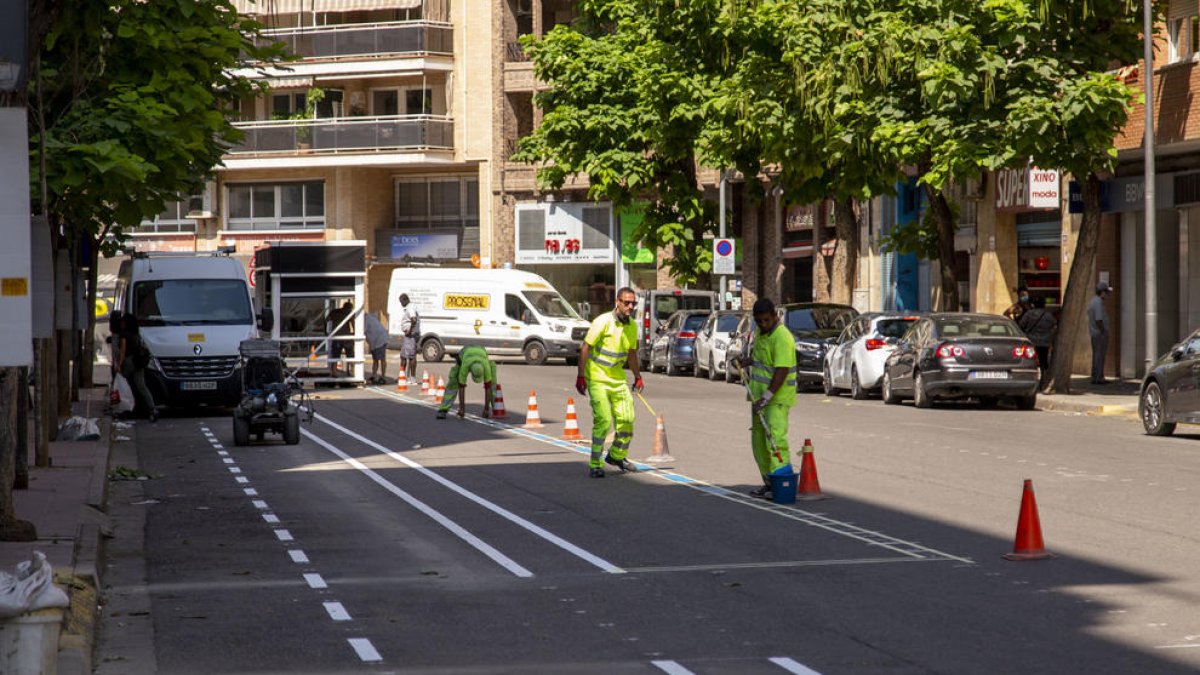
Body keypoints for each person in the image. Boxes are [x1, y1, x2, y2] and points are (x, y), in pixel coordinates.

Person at [576, 287, 643, 478]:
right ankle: (595, 464)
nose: (630, 306)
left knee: (627, 419)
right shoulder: (603, 322)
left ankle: (616, 456)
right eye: (626, 302)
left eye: (633, 303)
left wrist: (638, 376)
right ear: (617, 302)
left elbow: (631, 354)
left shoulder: (632, 326)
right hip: (597, 378)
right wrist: (581, 376)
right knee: (604, 420)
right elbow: (585, 347)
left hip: (618, 379)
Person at [740, 298, 797, 500]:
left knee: (775, 442)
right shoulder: (761, 333)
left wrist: (766, 398)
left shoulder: (782, 337)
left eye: (766, 320)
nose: (763, 324)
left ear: (775, 316)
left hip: (776, 400)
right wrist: (745, 361)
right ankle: (768, 481)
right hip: (759, 399)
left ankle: (782, 484)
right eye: (759, 321)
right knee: (758, 443)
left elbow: (781, 371)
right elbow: (761, 360)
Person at [117, 312, 159, 422]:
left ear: (125, 323)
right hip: (138, 362)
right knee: (141, 386)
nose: (121, 323)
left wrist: (119, 365)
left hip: (128, 361)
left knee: (124, 385)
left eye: (122, 322)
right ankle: (152, 408)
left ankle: (126, 407)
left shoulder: (124, 335)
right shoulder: (136, 334)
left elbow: (122, 351)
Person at [436, 345, 496, 419]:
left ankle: (496, 408)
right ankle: (443, 409)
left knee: (492, 381)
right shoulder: (464, 366)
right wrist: (462, 409)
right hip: (464, 353)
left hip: (481, 352)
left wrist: (486, 409)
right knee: (454, 381)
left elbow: (488, 387)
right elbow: (462, 387)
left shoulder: (486, 366)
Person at [1016, 297, 1058, 387]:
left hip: (1031, 342)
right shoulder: (1048, 315)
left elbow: (1021, 325)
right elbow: (1054, 325)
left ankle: (1031, 380)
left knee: (1030, 361)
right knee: (1043, 361)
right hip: (1044, 342)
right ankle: (1043, 381)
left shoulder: (1029, 314)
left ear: (1033, 305)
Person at [1088, 282, 1113, 384]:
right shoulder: (1098, 303)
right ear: (1102, 292)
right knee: (1099, 355)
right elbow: (1099, 320)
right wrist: (1103, 331)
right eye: (1106, 292)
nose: (1107, 295)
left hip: (1095, 333)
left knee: (1097, 355)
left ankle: (1096, 376)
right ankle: (1098, 377)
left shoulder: (1093, 301)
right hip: (1099, 334)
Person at [327, 301, 355, 377]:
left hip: (336, 336)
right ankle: (352, 371)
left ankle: (334, 372)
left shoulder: (334, 312)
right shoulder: (349, 313)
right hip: (346, 337)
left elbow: (326, 320)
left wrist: (325, 331)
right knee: (350, 354)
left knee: (335, 355)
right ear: (349, 308)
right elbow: (353, 323)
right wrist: (354, 333)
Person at [363, 311, 390, 385]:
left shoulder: (365, 320)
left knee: (382, 359)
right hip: (377, 340)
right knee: (375, 359)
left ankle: (383, 377)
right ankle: (374, 375)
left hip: (379, 339)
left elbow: (362, 331)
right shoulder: (369, 318)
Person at [398, 294, 420, 381]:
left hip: (411, 335)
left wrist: (410, 330)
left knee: (411, 356)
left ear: (405, 300)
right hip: (408, 336)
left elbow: (413, 319)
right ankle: (403, 376)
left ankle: (412, 377)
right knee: (403, 356)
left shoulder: (410, 308)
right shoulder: (410, 307)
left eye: (401, 302)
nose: (401, 304)